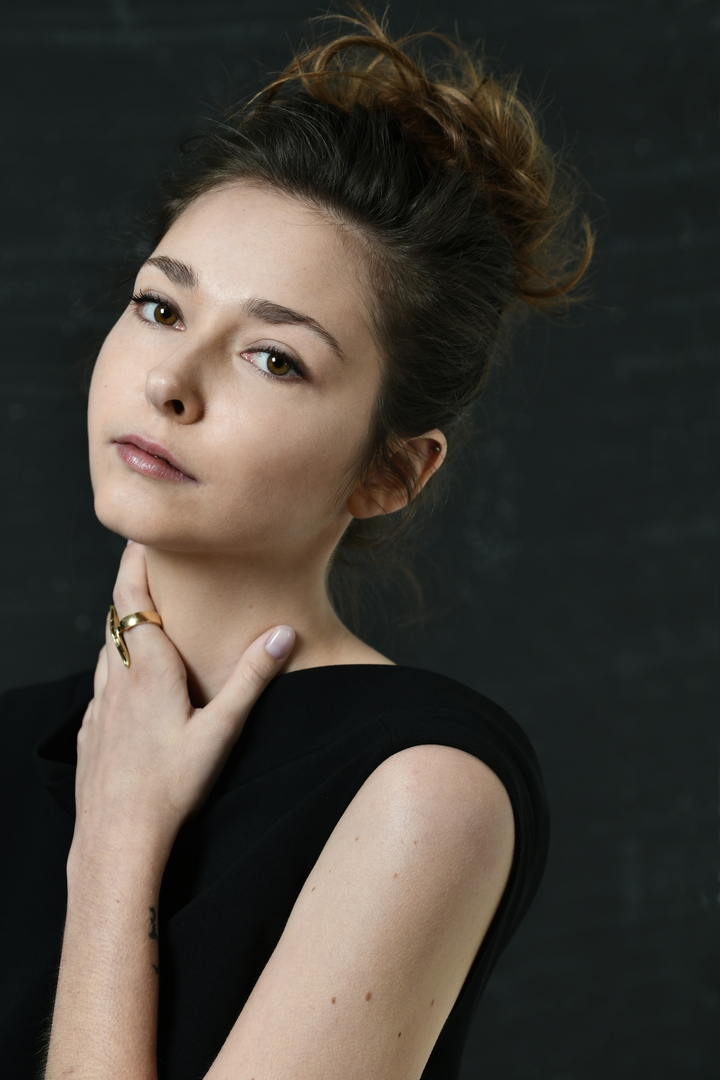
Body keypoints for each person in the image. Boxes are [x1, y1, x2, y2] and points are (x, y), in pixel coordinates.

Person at [0, 8, 592, 1079]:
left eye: (273, 358)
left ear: (390, 472)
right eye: (160, 308)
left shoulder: (424, 788)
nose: (169, 382)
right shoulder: (13, 735)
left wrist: (118, 844)